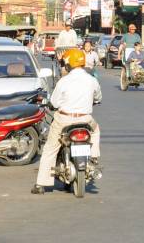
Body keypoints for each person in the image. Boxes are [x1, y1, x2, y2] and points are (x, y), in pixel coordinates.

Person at [33, 48, 101, 195]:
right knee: (95, 131)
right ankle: (94, 156)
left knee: (50, 149)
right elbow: (98, 97)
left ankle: (41, 184)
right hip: (85, 119)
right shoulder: (92, 80)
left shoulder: (63, 81)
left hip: (64, 119)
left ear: (69, 64)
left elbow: (54, 102)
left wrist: (52, 105)